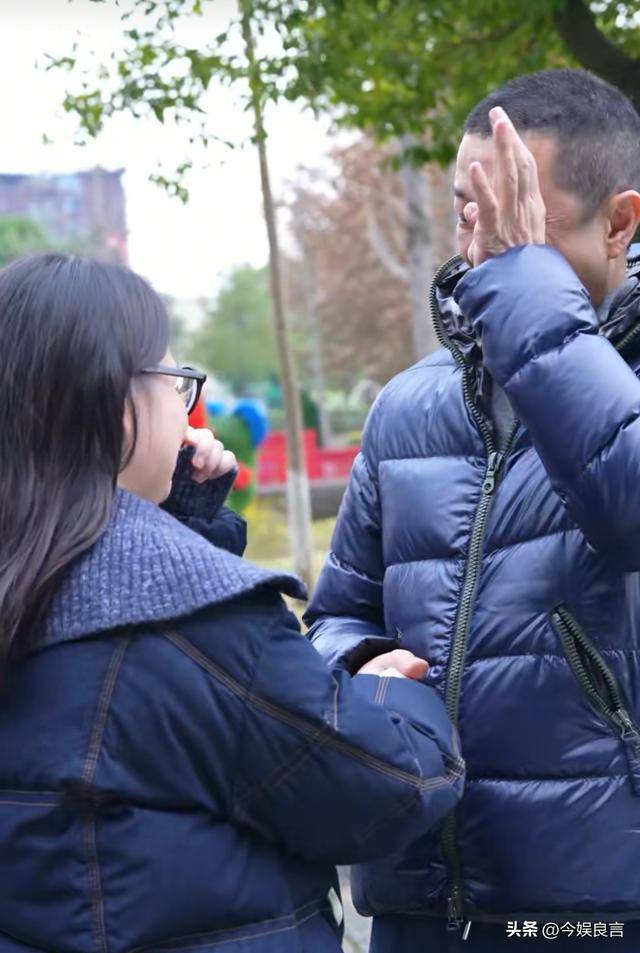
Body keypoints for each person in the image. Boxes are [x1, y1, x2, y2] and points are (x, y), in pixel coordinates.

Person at [0, 252, 464, 953]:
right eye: (174, 382)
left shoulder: (30, 571)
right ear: (117, 404)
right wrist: (388, 693)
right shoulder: (194, 613)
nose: (186, 410)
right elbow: (382, 785)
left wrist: (178, 518)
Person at [305, 68, 640, 951]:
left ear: (619, 222)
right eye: (467, 210)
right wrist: (367, 667)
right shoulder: (407, 405)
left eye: (516, 217)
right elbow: (334, 618)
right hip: (420, 903)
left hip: (597, 909)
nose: (483, 247)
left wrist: (529, 294)